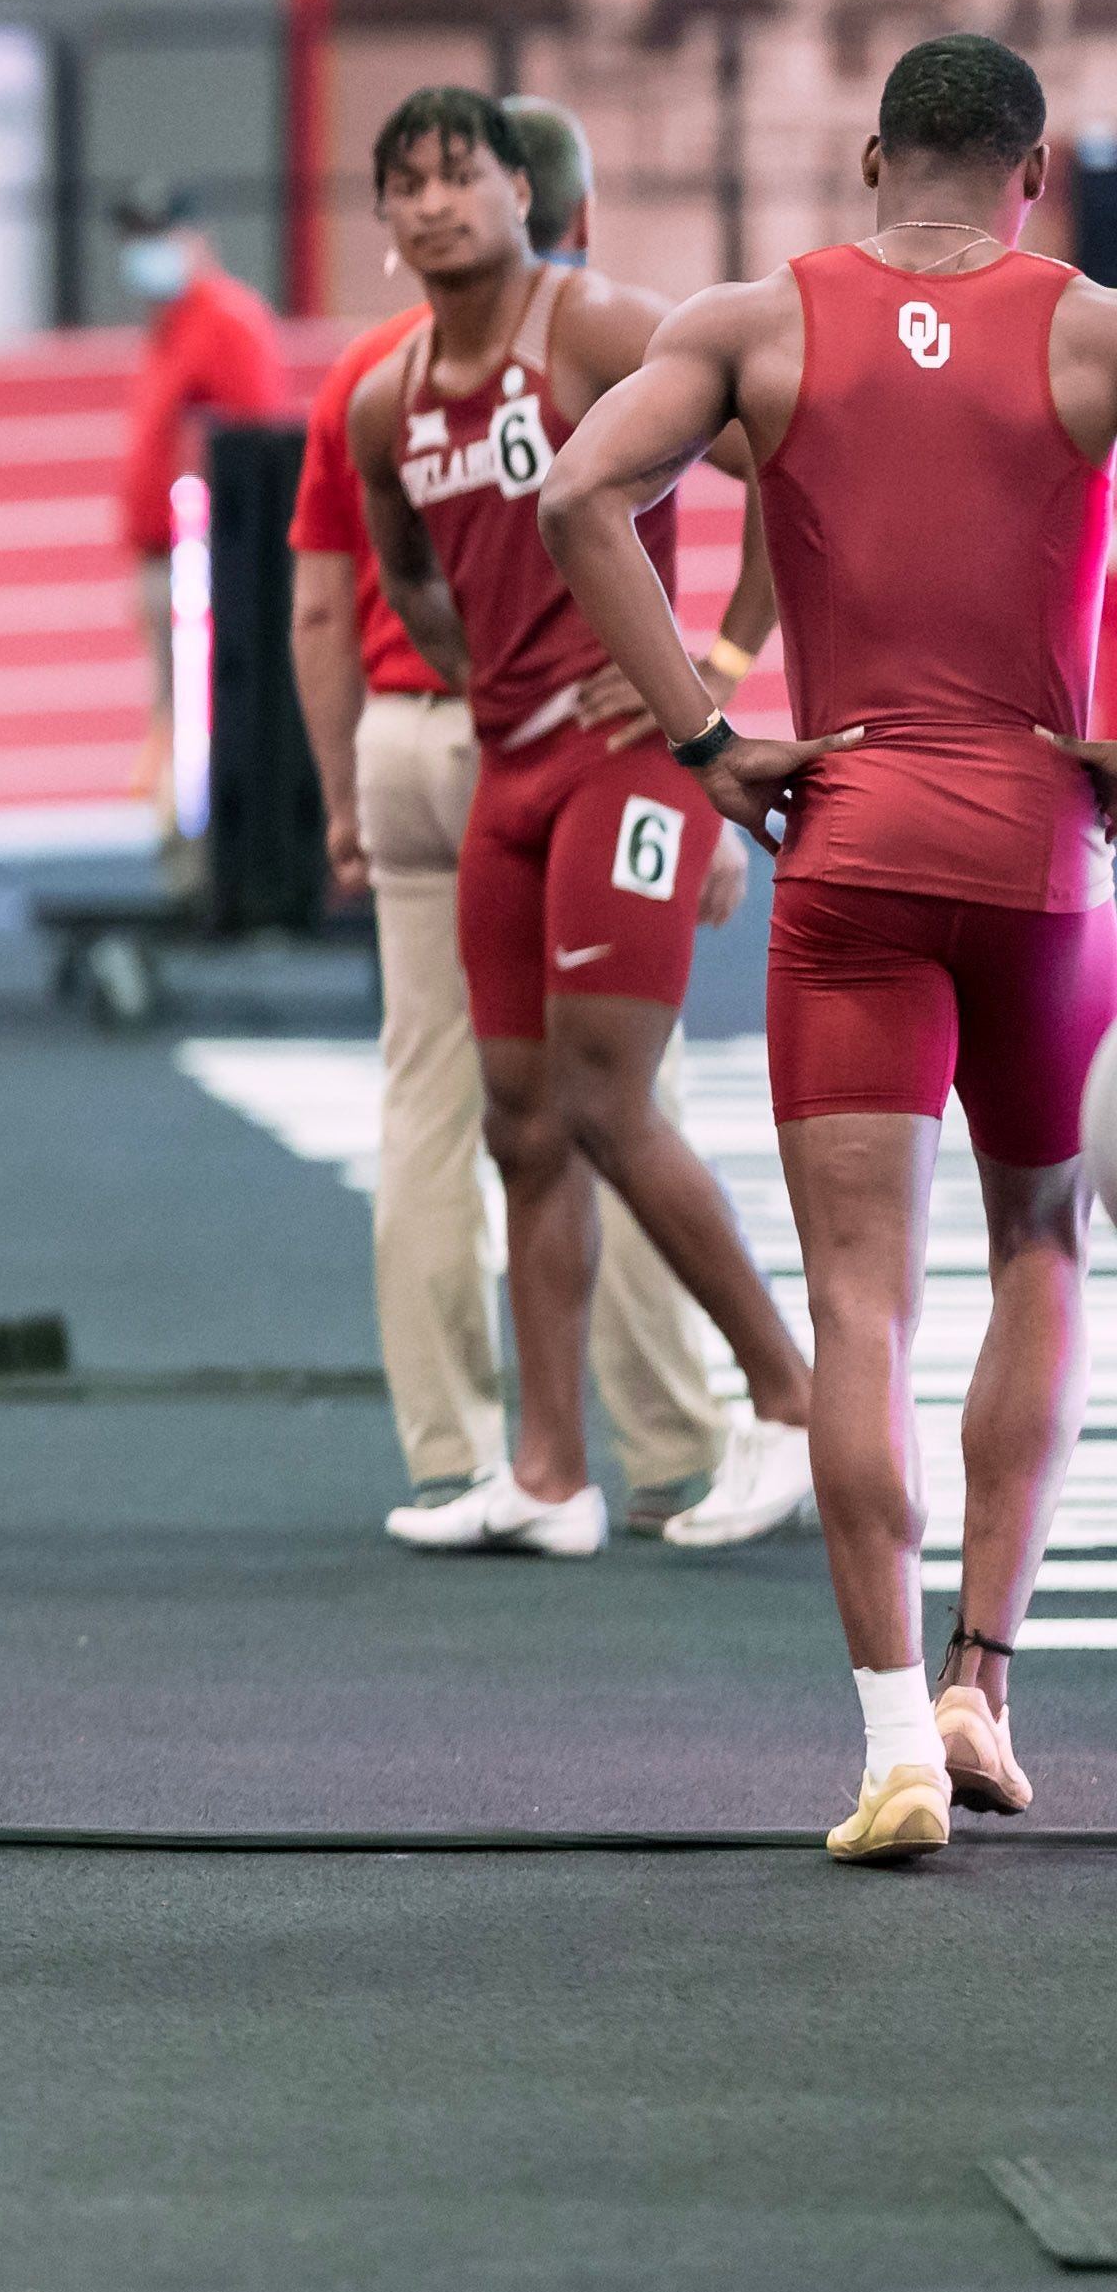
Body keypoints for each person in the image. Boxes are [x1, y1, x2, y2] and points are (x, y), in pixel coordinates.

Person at [543, 32, 1117, 1861]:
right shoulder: (1092, 326)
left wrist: (708, 742)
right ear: (1032, 179)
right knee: (1039, 1239)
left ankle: (884, 1744)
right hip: (1042, 852)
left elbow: (575, 497)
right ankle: (982, 1685)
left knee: (861, 1302)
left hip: (847, 840)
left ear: (875, 160)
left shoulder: (754, 323)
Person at [346, 86, 813, 1555]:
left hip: (628, 772)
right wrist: (482, 675)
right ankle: (550, 1475)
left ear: (516, 190)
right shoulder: (384, 397)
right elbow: (406, 569)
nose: (435, 203)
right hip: (508, 779)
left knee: (611, 1102)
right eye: (406, 184)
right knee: (522, 1126)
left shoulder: (602, 331)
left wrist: (708, 684)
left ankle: (790, 1401)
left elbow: (794, 478)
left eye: (460, 173)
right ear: (384, 220)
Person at [111, 183, 286, 870]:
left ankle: (207, 860)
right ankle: (189, 855)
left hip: (204, 559)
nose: (145, 250)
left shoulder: (226, 324)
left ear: (199, 239)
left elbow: (253, 449)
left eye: (160, 233)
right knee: (176, 714)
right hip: (162, 555)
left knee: (200, 717)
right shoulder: (167, 326)